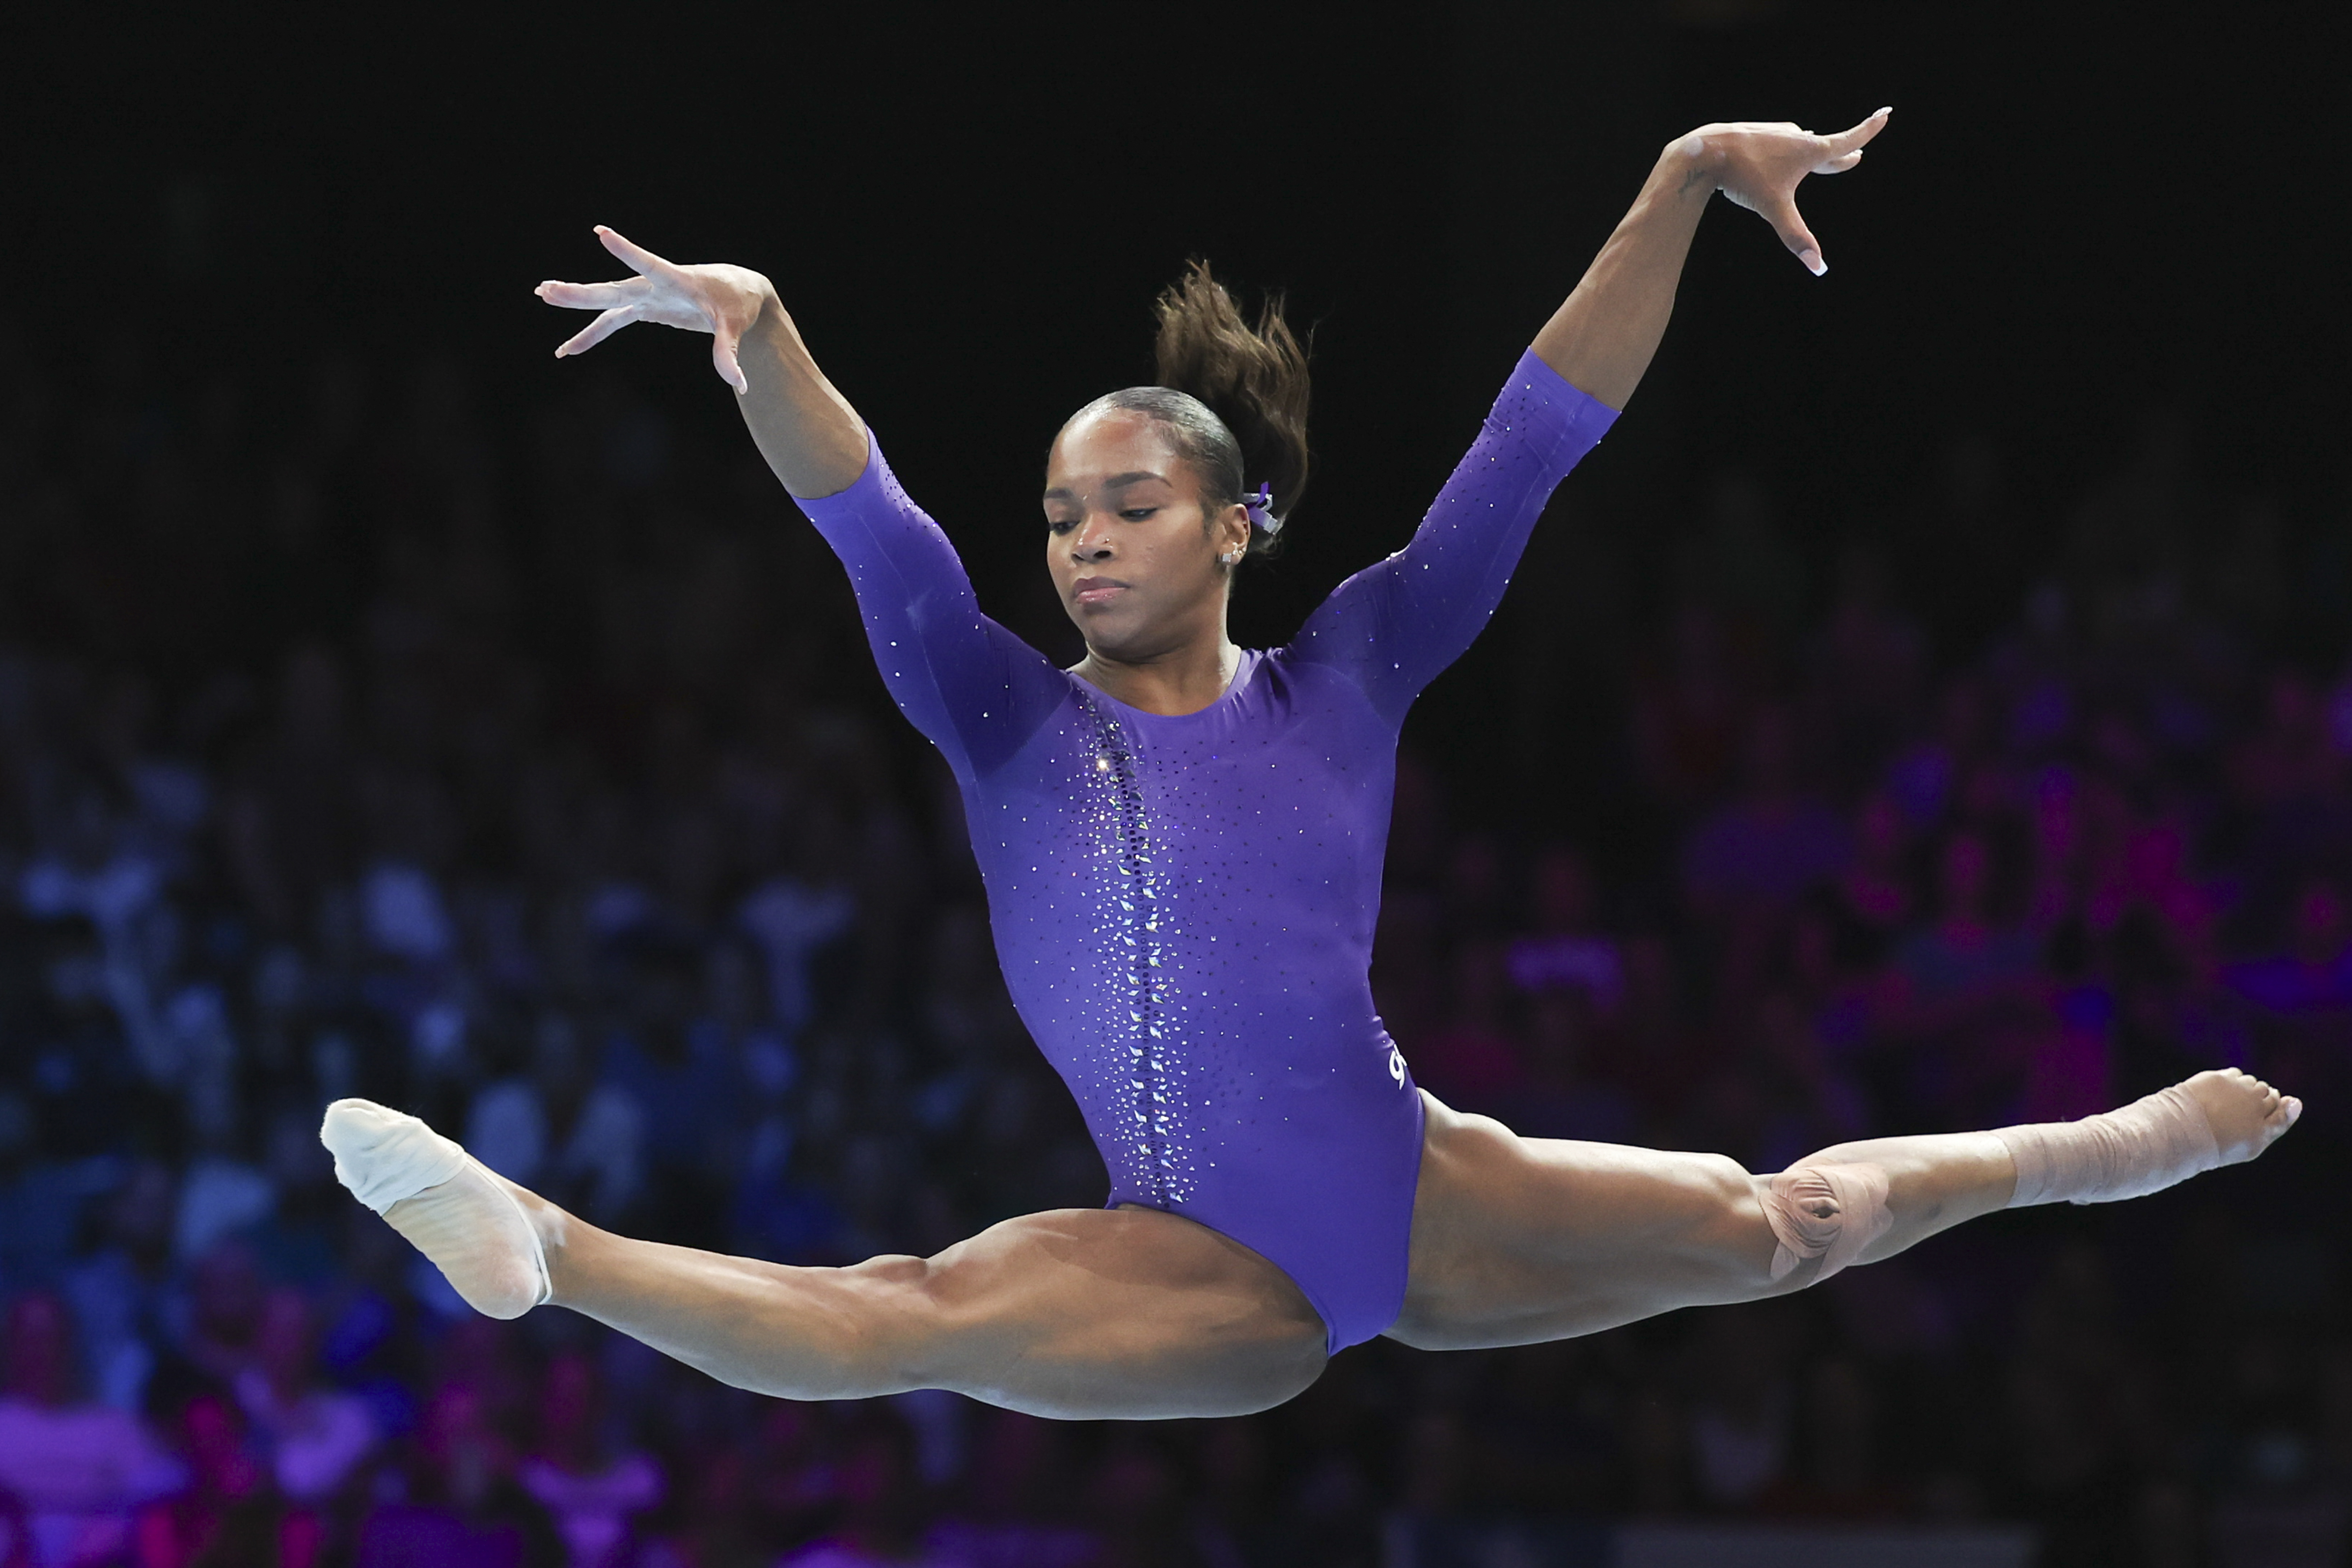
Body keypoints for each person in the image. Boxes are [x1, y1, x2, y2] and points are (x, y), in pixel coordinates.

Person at [321, 110, 2302, 1423]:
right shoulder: (1001, 716)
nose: (1081, 539)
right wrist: (760, 339)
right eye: (1060, 513)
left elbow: (1535, 442)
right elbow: (873, 523)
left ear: (1235, 522)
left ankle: (2111, 1149)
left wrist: (1682, 177)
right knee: (916, 1312)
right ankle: (552, 1254)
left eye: (1127, 505)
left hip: (1415, 1192)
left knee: (1787, 1230)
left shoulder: (1348, 673)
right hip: (1190, 1253)